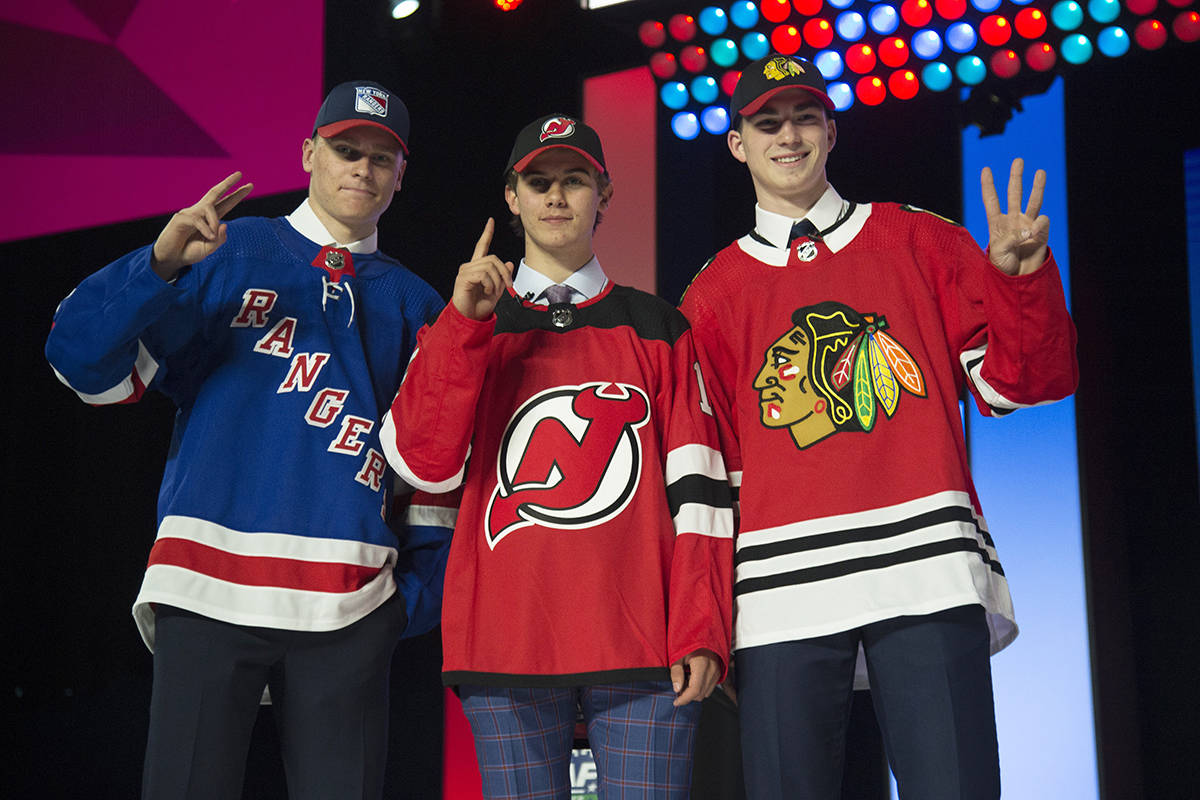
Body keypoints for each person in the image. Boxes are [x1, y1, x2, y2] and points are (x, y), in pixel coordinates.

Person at [678, 54, 1079, 799]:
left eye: (803, 118)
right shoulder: (712, 295)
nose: (787, 136)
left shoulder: (916, 240)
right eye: (766, 122)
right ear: (737, 143)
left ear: (831, 131)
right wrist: (703, 623)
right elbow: (707, 475)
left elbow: (1022, 384)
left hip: (923, 566)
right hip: (778, 591)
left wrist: (1020, 282)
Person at [45, 80, 449, 800]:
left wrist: (408, 602)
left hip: (350, 602)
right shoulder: (229, 251)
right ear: (308, 154)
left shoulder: (419, 305)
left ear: (400, 176)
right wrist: (160, 264)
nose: (361, 168)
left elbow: (439, 473)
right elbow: (79, 360)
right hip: (206, 587)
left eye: (380, 158)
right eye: (345, 149)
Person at [379, 114, 734, 798]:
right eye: (538, 182)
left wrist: (701, 626)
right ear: (511, 198)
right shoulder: (471, 322)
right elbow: (421, 463)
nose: (555, 196)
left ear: (605, 193)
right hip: (505, 639)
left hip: (643, 644)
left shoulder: (659, 327)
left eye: (574, 180)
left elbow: (701, 496)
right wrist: (462, 327)